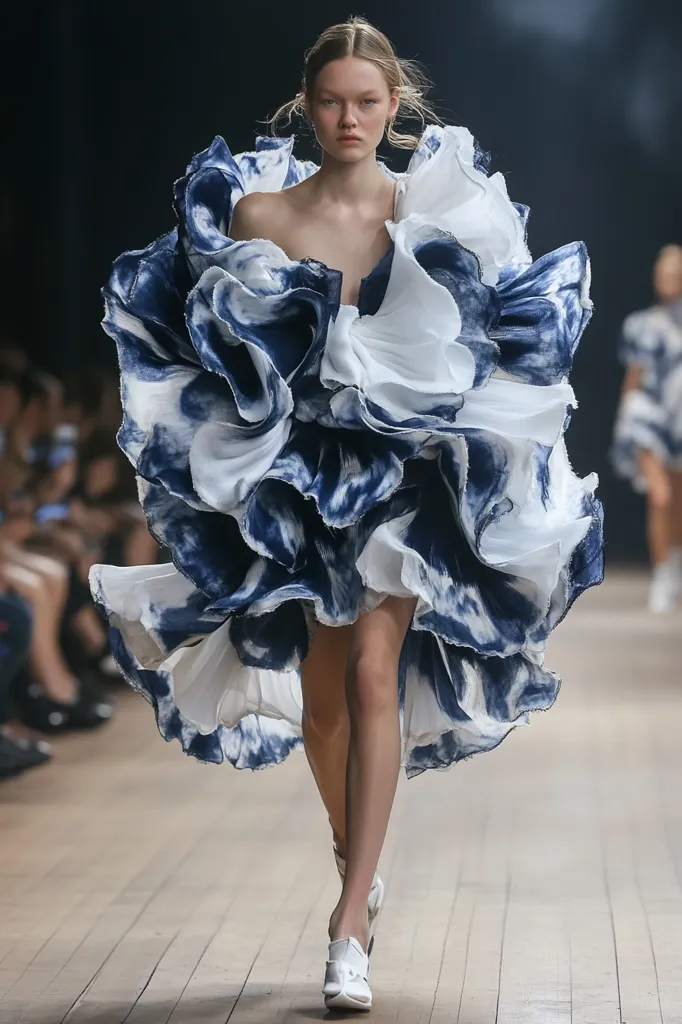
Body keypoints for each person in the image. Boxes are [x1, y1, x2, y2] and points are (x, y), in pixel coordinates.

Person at [91, 17, 603, 1011]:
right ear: (305, 103)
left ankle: (346, 925)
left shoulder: (439, 215)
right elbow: (201, 349)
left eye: (367, 101)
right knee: (322, 703)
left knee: (375, 676)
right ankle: (357, 866)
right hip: (300, 480)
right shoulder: (260, 215)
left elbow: (496, 337)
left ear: (394, 105)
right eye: (331, 101)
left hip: (409, 475)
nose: (349, 117)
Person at [612, 245, 682, 613]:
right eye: (664, 272)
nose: (669, 278)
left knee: (678, 501)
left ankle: (674, 567)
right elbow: (634, 376)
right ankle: (663, 576)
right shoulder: (641, 325)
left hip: (679, 417)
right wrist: (625, 419)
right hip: (649, 417)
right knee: (661, 495)